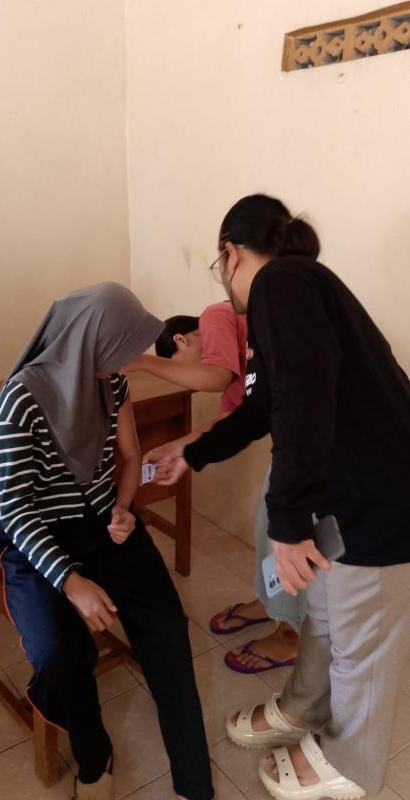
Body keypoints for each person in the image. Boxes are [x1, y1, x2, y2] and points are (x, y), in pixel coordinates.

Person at [154, 194, 410, 800]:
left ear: (230, 253)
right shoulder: (294, 290)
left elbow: (304, 398)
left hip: (379, 496)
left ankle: (350, 764)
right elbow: (264, 406)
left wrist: (287, 522)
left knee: (361, 641)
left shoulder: (283, 283)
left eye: (218, 265)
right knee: (324, 614)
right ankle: (304, 706)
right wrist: (194, 451)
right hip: (343, 490)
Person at [0, 283, 214, 800]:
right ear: (86, 344)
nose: (126, 363)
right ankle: (93, 757)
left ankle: (194, 782)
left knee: (166, 628)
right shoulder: (19, 400)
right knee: (59, 653)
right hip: (39, 540)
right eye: (119, 351)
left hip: (103, 523)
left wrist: (123, 509)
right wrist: (71, 582)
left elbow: (131, 458)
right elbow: (17, 511)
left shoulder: (111, 383)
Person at [125, 306, 301, 673]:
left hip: (317, 443)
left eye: (179, 366)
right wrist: (176, 447)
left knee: (285, 533)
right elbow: (224, 427)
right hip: (293, 442)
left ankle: (290, 634)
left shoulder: (215, 316)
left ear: (181, 339)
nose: (188, 380)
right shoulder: (239, 371)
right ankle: (268, 603)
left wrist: (141, 362)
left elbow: (216, 377)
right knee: (266, 527)